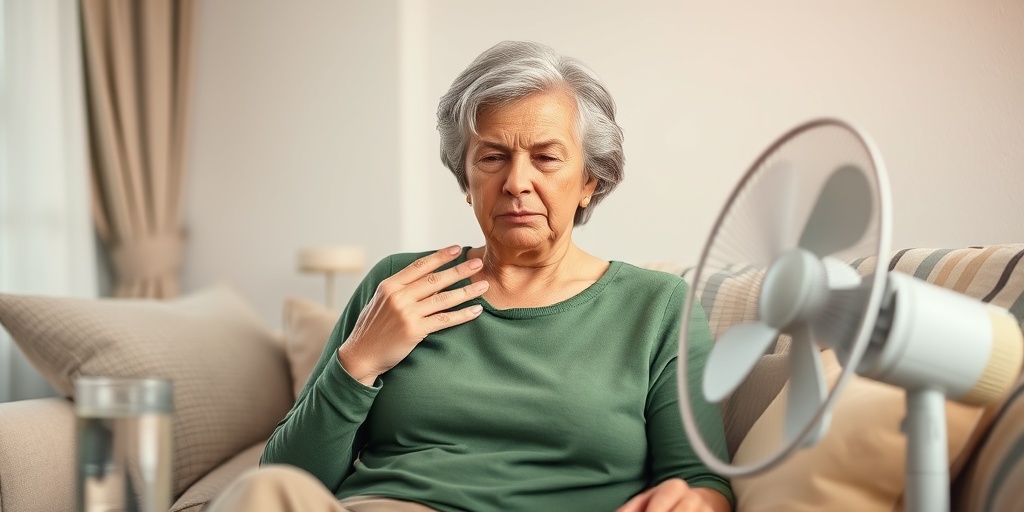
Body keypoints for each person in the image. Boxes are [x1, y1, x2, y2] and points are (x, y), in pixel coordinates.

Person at [208, 41, 733, 512]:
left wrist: (694, 503)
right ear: (465, 179)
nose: (517, 182)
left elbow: (700, 478)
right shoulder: (400, 281)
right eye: (492, 157)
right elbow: (289, 478)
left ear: (590, 181)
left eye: (546, 158)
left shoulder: (659, 308)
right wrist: (360, 360)